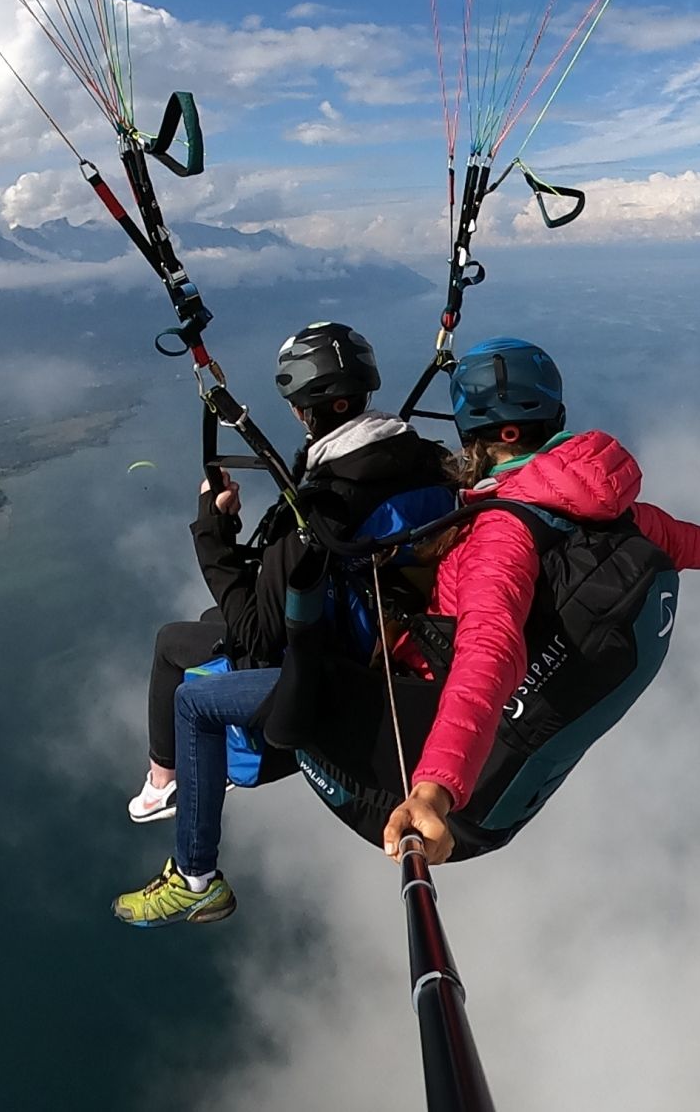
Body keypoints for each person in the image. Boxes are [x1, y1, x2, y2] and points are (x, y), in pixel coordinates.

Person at [267, 335, 700, 866]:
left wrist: (434, 790)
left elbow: (488, 653)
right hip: (512, 785)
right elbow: (676, 538)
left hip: (452, 813)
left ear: (471, 432)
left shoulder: (503, 531)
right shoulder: (607, 508)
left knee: (276, 710)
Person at [113, 322, 450, 926]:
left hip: (336, 667)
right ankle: (167, 784)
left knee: (183, 670)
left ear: (301, 411)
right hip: (398, 635)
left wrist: (212, 529)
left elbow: (255, 633)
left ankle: (194, 871)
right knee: (204, 626)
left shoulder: (320, 512)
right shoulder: (427, 463)